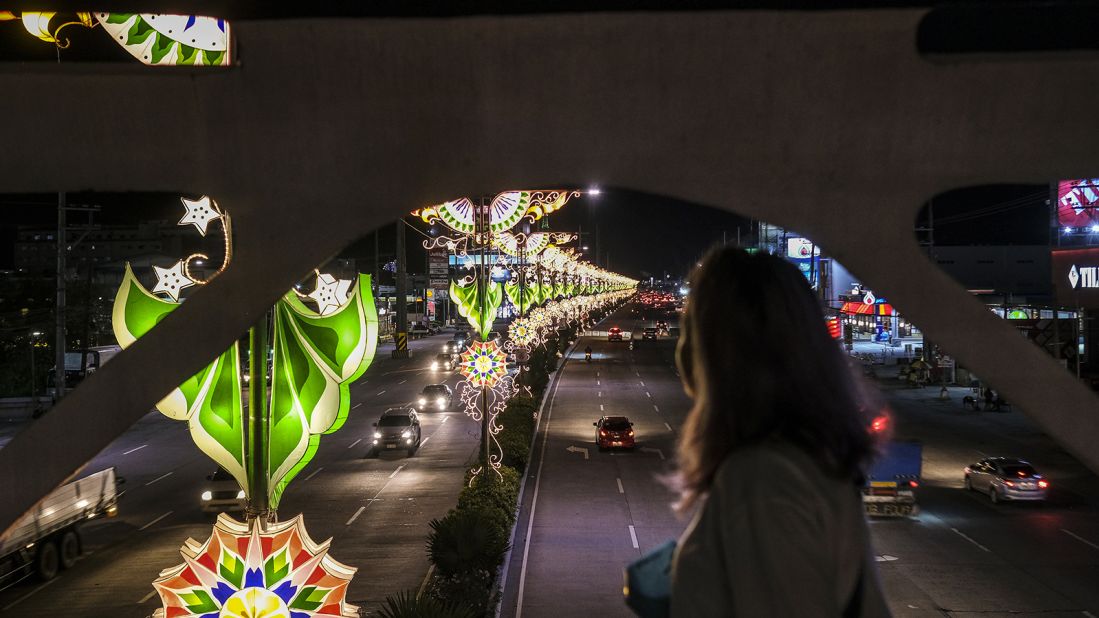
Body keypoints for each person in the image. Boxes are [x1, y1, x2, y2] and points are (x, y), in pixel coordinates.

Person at [669, 248, 891, 617]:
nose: (681, 346)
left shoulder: (762, 480)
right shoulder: (801, 463)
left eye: (688, 325)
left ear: (723, 351)